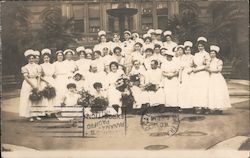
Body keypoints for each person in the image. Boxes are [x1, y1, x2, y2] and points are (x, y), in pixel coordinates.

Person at [19, 49, 43, 122]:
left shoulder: (38, 66)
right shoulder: (25, 67)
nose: (31, 60)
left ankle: (36, 114)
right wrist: (33, 86)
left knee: (37, 98)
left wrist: (38, 85)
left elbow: (38, 76)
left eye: (33, 58)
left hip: (36, 82)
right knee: (29, 98)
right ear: (28, 59)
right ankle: (30, 115)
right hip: (28, 83)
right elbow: (26, 78)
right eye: (30, 58)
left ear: (35, 59)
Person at [207, 45, 231, 114]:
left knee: (218, 92)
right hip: (211, 77)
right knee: (212, 92)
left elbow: (219, 70)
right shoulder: (209, 61)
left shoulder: (219, 61)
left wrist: (210, 70)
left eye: (213, 53)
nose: (212, 54)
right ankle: (213, 107)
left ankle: (219, 108)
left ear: (216, 54)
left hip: (217, 78)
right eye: (211, 53)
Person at [190, 37, 211, 114]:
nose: (200, 47)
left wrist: (198, 70)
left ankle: (206, 107)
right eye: (199, 46)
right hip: (196, 74)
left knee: (204, 90)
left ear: (204, 46)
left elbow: (207, 66)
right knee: (197, 90)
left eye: (202, 46)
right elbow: (192, 64)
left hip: (203, 73)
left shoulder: (206, 54)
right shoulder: (196, 54)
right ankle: (199, 107)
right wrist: (193, 68)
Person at [177, 42, 194, 111]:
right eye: (186, 50)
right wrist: (180, 78)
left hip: (190, 74)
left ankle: (191, 106)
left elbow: (195, 66)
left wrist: (192, 70)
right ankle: (183, 106)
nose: (187, 51)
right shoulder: (182, 57)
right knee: (183, 90)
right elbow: (181, 68)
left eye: (189, 50)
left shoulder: (193, 57)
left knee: (190, 89)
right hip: (184, 74)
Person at [40, 48, 57, 115]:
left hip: (51, 80)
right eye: (45, 58)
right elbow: (40, 76)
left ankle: (51, 111)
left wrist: (54, 81)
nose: (46, 59)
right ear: (43, 59)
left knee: (52, 95)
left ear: (49, 58)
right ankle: (45, 111)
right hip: (44, 81)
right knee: (45, 95)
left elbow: (54, 75)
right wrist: (46, 82)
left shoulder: (52, 65)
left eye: (47, 58)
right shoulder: (41, 66)